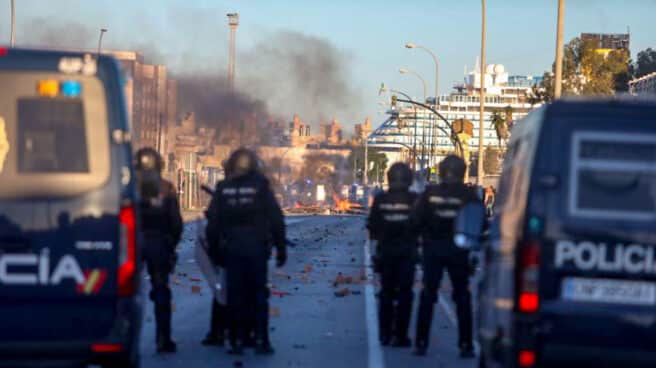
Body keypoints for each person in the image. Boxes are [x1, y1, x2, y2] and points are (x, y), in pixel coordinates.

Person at [205, 148, 287, 356]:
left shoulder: (224, 188)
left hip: (232, 249)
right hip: (257, 249)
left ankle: (235, 341)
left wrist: (215, 252)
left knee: (235, 296)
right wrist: (281, 248)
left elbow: (213, 225)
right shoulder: (260, 186)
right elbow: (276, 218)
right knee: (259, 295)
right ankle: (261, 340)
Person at [411, 154, 481, 358]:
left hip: (432, 250)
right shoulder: (469, 195)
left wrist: (417, 245)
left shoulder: (429, 194)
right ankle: (466, 345)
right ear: (462, 172)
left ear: (441, 171)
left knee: (427, 295)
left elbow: (415, 221)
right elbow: (479, 224)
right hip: (459, 250)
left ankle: (421, 343)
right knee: (462, 297)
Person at [136, 147, 183, 354]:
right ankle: (163, 339)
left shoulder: (128, 188)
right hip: (159, 244)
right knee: (161, 290)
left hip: (133, 244)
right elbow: (176, 223)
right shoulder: (166, 188)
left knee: (123, 292)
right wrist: (170, 245)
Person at [367, 162, 418, 348]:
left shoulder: (381, 200)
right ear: (409, 179)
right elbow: (421, 226)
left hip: (386, 253)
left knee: (386, 293)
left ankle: (384, 334)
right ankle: (401, 336)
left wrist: (374, 253)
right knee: (405, 294)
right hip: (407, 254)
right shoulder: (415, 200)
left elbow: (372, 228)